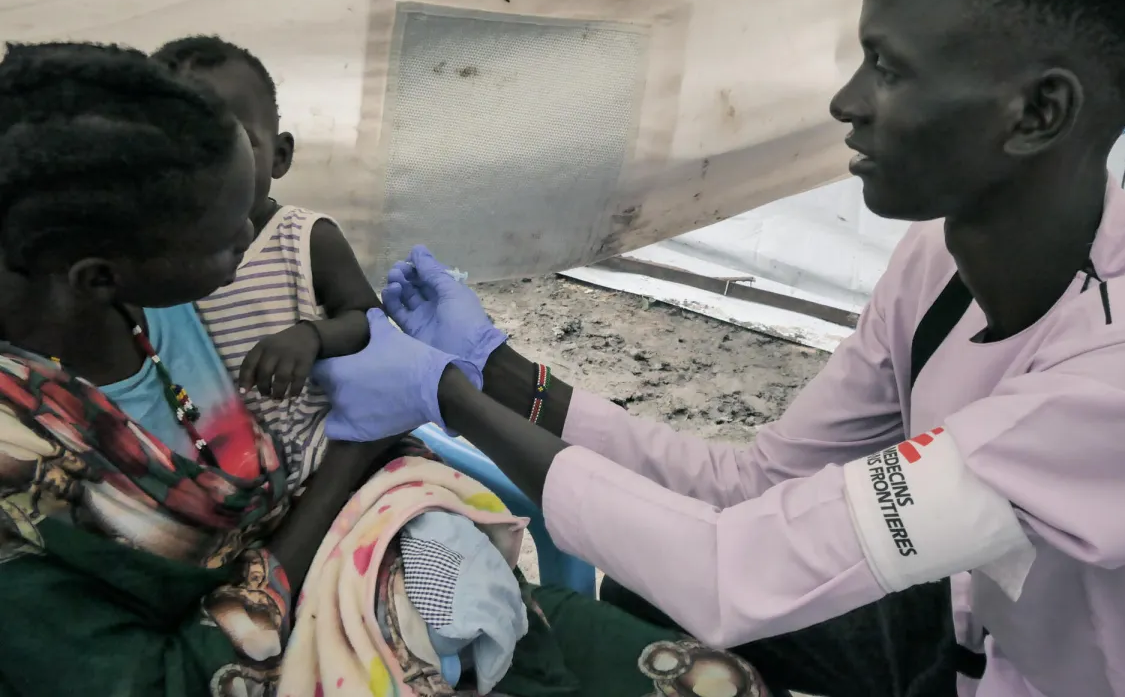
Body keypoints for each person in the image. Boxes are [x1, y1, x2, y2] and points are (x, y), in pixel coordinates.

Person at [312, 0, 1125, 694]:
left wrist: (448, 400)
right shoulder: (934, 266)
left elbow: (734, 568)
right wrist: (497, 368)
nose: (848, 102)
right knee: (643, 569)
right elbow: (754, 485)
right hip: (967, 638)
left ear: (1039, 112)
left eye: (890, 70)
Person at [0, 42, 773, 697]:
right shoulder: (21, 479)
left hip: (365, 558)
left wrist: (474, 372)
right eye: (225, 235)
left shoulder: (148, 301)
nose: (251, 235)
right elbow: (172, 678)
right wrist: (358, 450)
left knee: (715, 681)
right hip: (266, 651)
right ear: (98, 274)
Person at [152, 36, 381, 491]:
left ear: (280, 155)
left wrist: (311, 336)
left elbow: (371, 320)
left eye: (231, 143)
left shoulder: (304, 238)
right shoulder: (157, 270)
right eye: (179, 148)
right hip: (240, 486)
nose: (205, 169)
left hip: (336, 455)